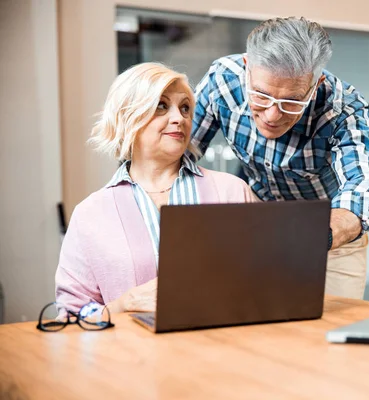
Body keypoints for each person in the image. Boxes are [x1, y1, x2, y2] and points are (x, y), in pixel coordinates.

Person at [191, 17, 369, 299]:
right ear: (247, 69)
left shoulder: (342, 108)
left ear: (315, 84)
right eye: (261, 95)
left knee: (330, 331)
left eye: (292, 101)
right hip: (256, 222)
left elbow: (364, 181)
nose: (272, 115)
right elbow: (181, 151)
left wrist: (322, 234)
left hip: (327, 229)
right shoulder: (223, 79)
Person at [55, 63, 255, 314]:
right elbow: (72, 313)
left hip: (223, 348)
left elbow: (262, 282)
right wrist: (123, 305)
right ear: (127, 116)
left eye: (185, 108)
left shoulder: (232, 192)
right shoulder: (90, 214)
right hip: (131, 352)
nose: (179, 118)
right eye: (162, 105)